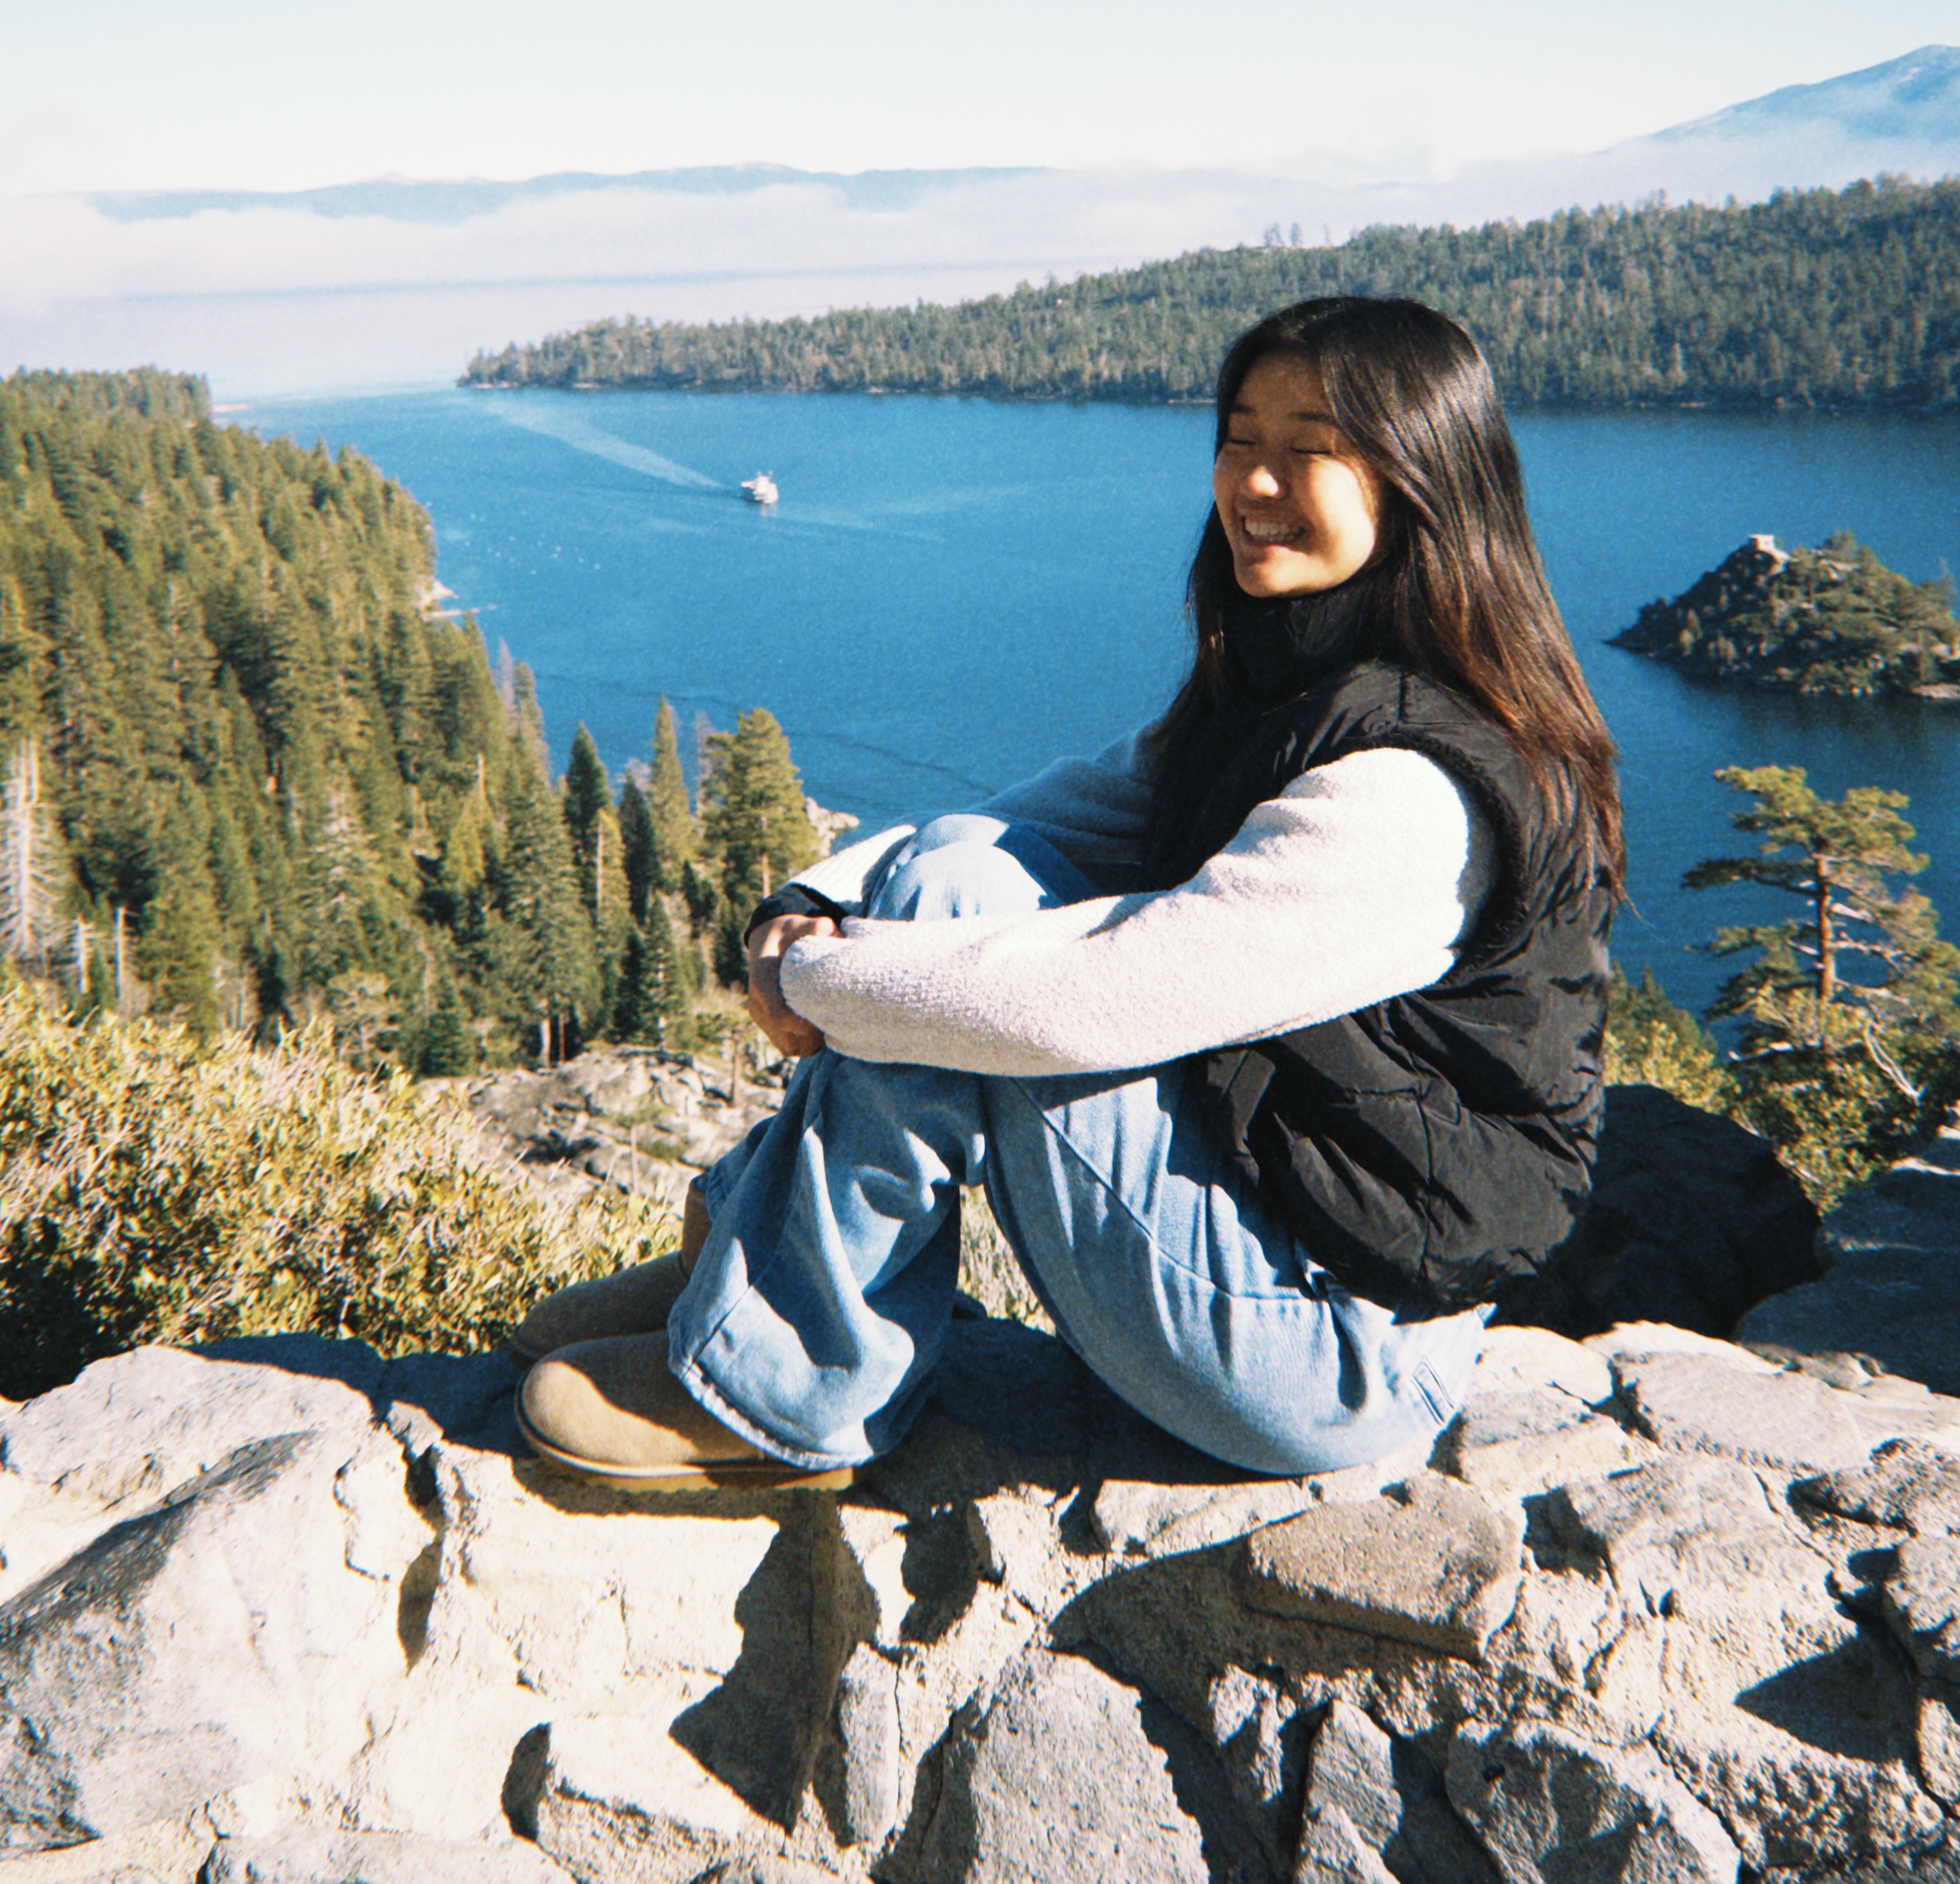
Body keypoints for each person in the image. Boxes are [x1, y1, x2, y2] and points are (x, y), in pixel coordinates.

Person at [511, 295, 1622, 1491]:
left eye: (1307, 449)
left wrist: (816, 977)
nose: (1252, 481)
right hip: (1284, 1235)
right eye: (1239, 439)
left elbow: (1092, 1002)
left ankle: (783, 1397)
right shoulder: (1299, 682)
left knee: (960, 946)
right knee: (957, 873)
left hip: (1340, 1351)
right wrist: (814, 896)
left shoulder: (1415, 790)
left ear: (1418, 475)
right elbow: (1045, 817)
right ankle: (753, 1266)